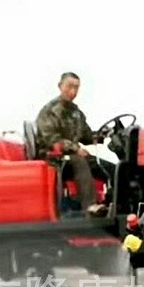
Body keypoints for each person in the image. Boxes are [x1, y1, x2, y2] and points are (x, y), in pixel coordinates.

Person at [35, 71, 106, 216]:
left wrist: (103, 134)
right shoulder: (49, 111)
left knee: (105, 167)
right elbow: (50, 139)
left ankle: (116, 203)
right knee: (79, 161)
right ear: (60, 86)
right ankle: (90, 206)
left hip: (73, 155)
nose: (73, 91)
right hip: (53, 158)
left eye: (76, 87)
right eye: (69, 86)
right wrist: (75, 148)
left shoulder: (76, 113)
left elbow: (86, 135)